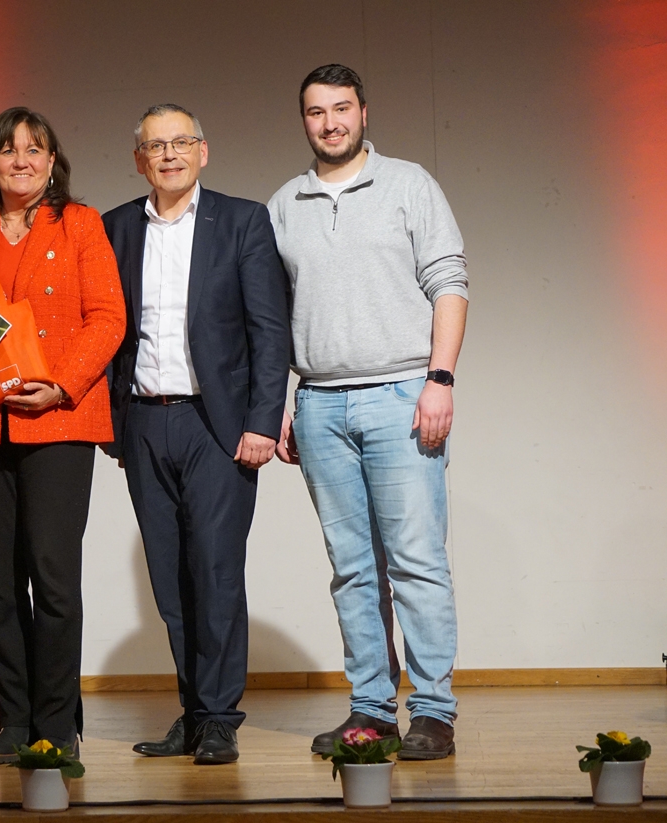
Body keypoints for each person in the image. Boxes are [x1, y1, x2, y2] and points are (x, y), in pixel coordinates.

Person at [270, 64, 469, 760]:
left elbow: (449, 282)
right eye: (316, 111)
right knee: (352, 568)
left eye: (342, 108)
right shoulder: (285, 203)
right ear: (304, 120)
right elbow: (271, 315)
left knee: (416, 561)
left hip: (401, 395)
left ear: (363, 112)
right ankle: (372, 710)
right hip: (319, 403)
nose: (330, 122)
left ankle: (434, 712)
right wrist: (280, 402)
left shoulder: (409, 184)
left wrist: (439, 379)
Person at [0, 107, 124, 763]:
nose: (21, 159)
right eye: (8, 149)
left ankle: (58, 724)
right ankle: (15, 720)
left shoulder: (81, 223)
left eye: (34, 149)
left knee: (54, 578)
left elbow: (108, 318)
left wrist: (62, 385)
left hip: (58, 418)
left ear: (51, 161)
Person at [101, 105, 290, 765]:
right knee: (169, 578)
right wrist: (110, 422)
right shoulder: (116, 227)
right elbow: (106, 329)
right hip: (143, 420)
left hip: (217, 423)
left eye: (182, 142)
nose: (170, 154)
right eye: (156, 146)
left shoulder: (242, 221)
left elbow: (269, 331)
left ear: (203, 152)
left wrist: (262, 421)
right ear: (140, 160)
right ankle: (193, 711)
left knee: (215, 570)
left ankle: (219, 718)